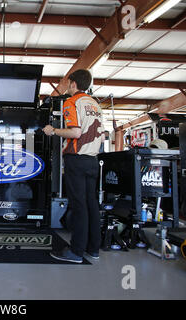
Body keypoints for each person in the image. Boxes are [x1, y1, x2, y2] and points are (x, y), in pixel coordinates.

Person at [43, 69, 104, 263]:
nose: (69, 87)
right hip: (93, 160)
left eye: (69, 84)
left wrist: (53, 130)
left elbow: (75, 133)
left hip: (77, 160)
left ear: (74, 84)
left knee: (79, 206)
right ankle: (93, 248)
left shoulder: (72, 102)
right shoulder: (96, 104)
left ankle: (76, 252)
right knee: (91, 205)